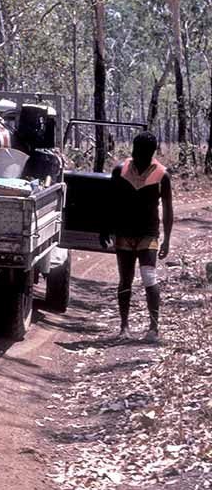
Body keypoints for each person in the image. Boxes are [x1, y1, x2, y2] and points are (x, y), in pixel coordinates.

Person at [100, 132, 173, 342]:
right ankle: (124, 327)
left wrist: (167, 238)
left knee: (149, 278)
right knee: (125, 280)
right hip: (124, 232)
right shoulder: (120, 171)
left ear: (152, 153)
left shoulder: (162, 175)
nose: (138, 156)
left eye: (143, 153)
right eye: (136, 151)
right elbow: (110, 203)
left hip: (148, 233)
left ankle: (153, 328)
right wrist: (105, 229)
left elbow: (168, 210)